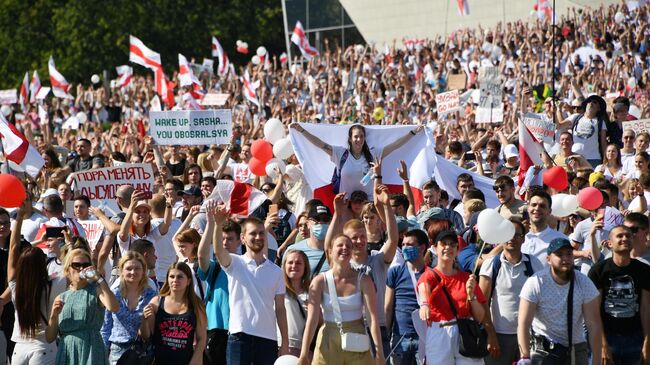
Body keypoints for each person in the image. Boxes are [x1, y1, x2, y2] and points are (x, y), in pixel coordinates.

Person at [213, 213, 289, 364]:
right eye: (253, 233)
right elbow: (219, 251)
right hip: (239, 338)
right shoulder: (234, 262)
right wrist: (217, 224)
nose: (258, 237)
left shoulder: (277, 271)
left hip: (268, 339)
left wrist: (285, 343)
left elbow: (280, 309)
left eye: (261, 233)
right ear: (243, 238)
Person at [297, 235, 384, 365]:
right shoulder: (319, 281)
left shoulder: (364, 280)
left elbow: (372, 318)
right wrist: (303, 354)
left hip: (357, 339)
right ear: (330, 251)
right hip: (328, 340)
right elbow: (312, 320)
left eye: (348, 246)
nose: (345, 248)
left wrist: (379, 353)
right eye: (340, 245)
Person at [517, 238, 603, 365]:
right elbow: (523, 324)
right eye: (559, 254)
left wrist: (596, 361)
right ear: (548, 259)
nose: (565, 258)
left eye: (569, 254)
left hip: (575, 348)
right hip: (544, 350)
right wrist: (524, 357)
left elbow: (594, 324)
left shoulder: (584, 282)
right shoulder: (536, 282)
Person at [291, 123, 423, 200]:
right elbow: (320, 144)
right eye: (355, 137)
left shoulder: (373, 154)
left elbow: (395, 145)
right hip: (346, 203)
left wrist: (413, 132)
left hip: (369, 204)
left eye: (361, 136)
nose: (358, 139)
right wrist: (302, 131)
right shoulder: (340, 153)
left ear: (365, 138)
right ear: (350, 138)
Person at [8, 202, 67, 365]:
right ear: (43, 266)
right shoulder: (54, 285)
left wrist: (19, 219)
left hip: (19, 348)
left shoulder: (16, 287)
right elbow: (70, 268)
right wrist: (65, 244)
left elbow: (13, 248)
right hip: (44, 347)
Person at [478, 219, 543, 365]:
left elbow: (543, 297)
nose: (512, 239)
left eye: (516, 235)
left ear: (523, 238)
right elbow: (482, 302)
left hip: (530, 335)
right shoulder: (491, 264)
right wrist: (491, 335)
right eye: (508, 234)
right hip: (500, 335)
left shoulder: (534, 263)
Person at [417, 229, 487, 364]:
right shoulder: (430, 274)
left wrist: (471, 295)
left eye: (452, 244)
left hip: (466, 332)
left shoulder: (467, 278)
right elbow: (423, 287)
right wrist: (424, 304)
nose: (448, 247)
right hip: (441, 332)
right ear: (435, 247)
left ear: (457, 249)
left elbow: (480, 316)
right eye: (444, 243)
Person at [588, 225, 650, 364]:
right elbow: (594, 312)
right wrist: (602, 344)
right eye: (620, 236)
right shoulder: (598, 271)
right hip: (608, 338)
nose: (625, 239)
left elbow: (646, 309)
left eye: (628, 236)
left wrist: (647, 342)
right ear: (609, 243)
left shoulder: (644, 270)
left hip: (636, 338)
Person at [46, 248, 119, 365]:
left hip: (91, 348)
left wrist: (99, 279)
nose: (81, 268)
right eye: (76, 265)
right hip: (67, 351)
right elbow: (49, 338)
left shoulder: (96, 290)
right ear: (67, 269)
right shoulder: (61, 297)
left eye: (86, 265)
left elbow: (114, 307)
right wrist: (54, 316)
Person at [142, 262, 206, 365]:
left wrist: (194, 361)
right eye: (172, 276)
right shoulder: (156, 302)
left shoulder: (196, 305)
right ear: (167, 279)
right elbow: (146, 336)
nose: (175, 280)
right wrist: (144, 320)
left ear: (188, 281)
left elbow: (201, 338)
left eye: (180, 277)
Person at [100, 251, 156, 364]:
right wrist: (102, 354)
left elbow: (154, 328)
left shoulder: (151, 295)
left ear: (143, 270)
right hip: (117, 351)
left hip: (142, 352)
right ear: (121, 271)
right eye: (129, 268)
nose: (133, 272)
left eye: (137, 268)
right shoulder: (114, 294)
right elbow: (105, 327)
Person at [385, 229, 429, 365]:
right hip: (400, 339)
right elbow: (388, 307)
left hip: (424, 339)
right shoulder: (395, 272)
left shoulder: (432, 274)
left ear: (422, 248)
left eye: (409, 245)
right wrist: (386, 338)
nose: (404, 248)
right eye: (402, 244)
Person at [521, 190, 570, 264]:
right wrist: (516, 235)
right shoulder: (516, 237)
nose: (537, 208)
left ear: (549, 211)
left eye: (542, 206)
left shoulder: (560, 239)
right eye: (534, 205)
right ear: (528, 208)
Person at [281, 249, 313, 357]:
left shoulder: (312, 292)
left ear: (305, 267)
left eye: (299, 263)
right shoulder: (277, 290)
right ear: (284, 266)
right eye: (290, 262)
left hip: (306, 349)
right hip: (282, 346)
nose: (294, 265)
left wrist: (313, 311)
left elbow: (321, 322)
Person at [290, 204, 332, 278]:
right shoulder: (293, 250)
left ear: (330, 223)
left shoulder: (339, 251)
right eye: (316, 219)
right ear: (308, 223)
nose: (321, 223)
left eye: (325, 220)